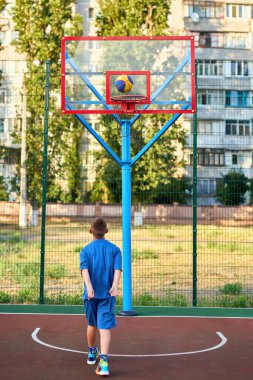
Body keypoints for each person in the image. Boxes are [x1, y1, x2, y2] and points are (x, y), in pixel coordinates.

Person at [80, 217, 122, 377]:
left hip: (90, 295)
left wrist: (89, 288)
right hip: (107, 294)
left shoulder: (85, 251)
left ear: (90, 231)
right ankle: (103, 363)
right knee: (104, 328)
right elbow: (118, 269)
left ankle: (92, 353)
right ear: (106, 231)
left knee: (92, 324)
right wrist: (115, 286)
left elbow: (85, 271)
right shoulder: (115, 250)